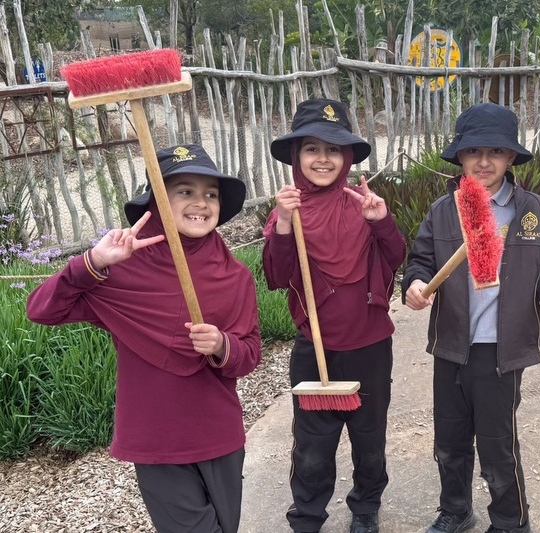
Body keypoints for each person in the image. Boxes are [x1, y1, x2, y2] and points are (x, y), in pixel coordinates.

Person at [26, 144, 262, 533]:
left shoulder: (234, 274)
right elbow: (41, 310)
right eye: (184, 190)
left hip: (219, 433)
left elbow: (249, 353)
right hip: (157, 438)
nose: (200, 202)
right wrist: (94, 263)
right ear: (156, 202)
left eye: (211, 193)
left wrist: (223, 346)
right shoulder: (122, 270)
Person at [401, 102, 540, 533]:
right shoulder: (444, 211)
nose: (484, 162)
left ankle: (510, 521)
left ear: (510, 157)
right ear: (460, 157)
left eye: (496, 152)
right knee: (450, 439)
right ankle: (456, 510)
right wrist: (414, 283)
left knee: (498, 443)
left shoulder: (534, 212)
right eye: (474, 152)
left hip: (502, 349)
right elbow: (420, 261)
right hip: (451, 344)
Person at [262, 98, 406, 533]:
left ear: (347, 158)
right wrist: (285, 224)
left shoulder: (363, 204)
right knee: (312, 444)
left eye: (333, 149)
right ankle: (307, 515)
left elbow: (396, 257)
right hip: (315, 348)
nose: (322, 158)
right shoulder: (288, 210)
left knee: (369, 438)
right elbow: (275, 276)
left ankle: (365, 507)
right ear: (295, 157)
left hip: (369, 344)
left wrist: (380, 221)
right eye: (311, 148)